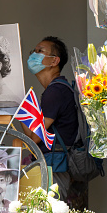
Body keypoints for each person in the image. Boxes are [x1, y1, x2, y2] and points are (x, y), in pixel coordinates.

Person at [22, 36, 79, 201]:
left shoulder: (55, 92)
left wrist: (21, 113)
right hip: (54, 164)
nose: (34, 54)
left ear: (54, 61)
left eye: (40, 51)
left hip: (52, 168)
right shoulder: (59, 88)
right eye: (34, 51)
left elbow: (34, 138)